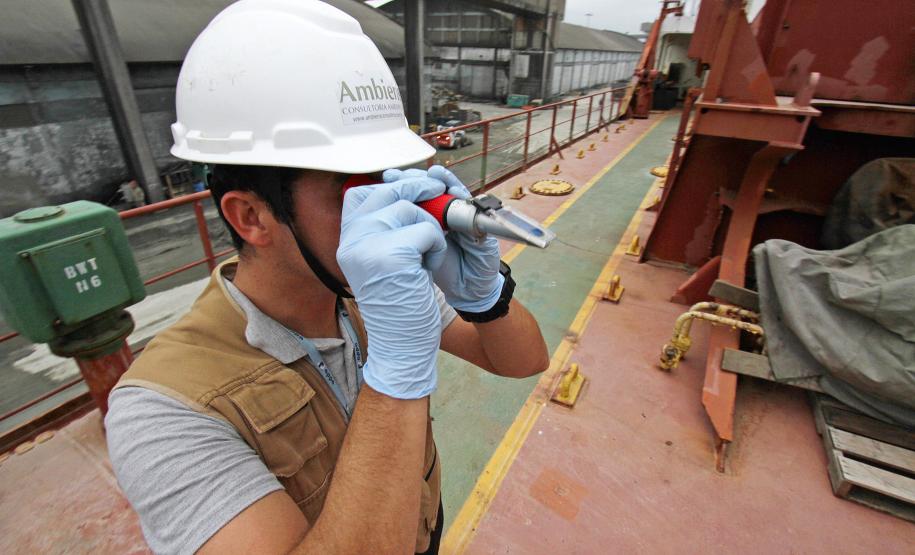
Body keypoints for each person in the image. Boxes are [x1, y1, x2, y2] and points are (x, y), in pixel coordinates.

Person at [104, 1, 549, 553]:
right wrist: (397, 372)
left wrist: (484, 299)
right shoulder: (163, 411)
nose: (387, 210)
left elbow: (524, 361)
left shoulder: (371, 293)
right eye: (351, 190)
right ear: (252, 217)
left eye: (391, 180)